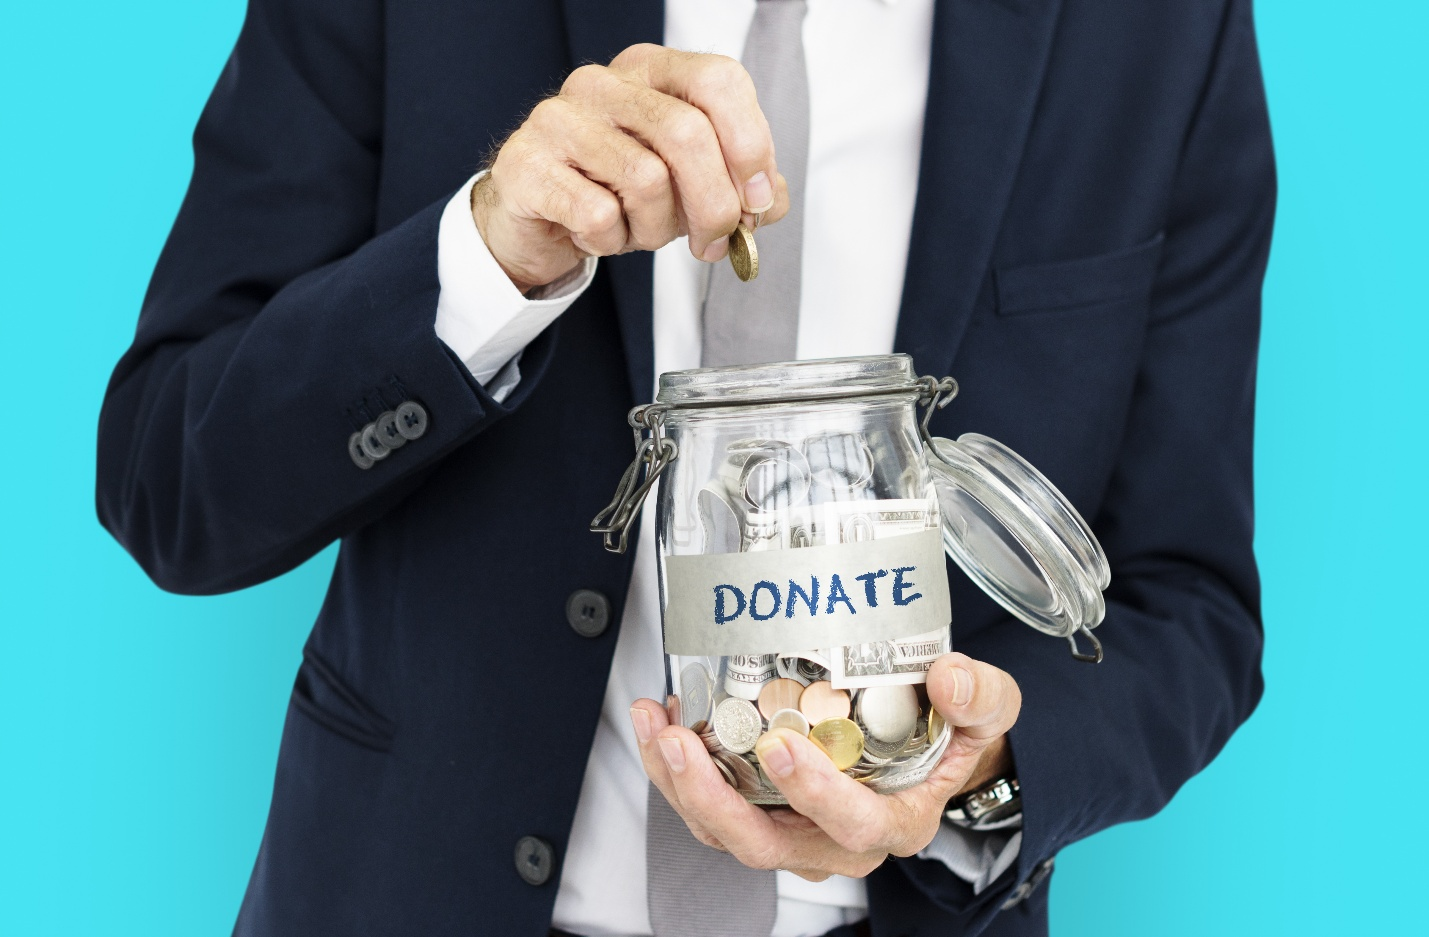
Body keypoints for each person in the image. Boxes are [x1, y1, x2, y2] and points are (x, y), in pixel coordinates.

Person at [96, 0, 1272, 934]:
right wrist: (484, 261)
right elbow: (168, 479)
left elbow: (1189, 604)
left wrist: (975, 778)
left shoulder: (1159, 27)